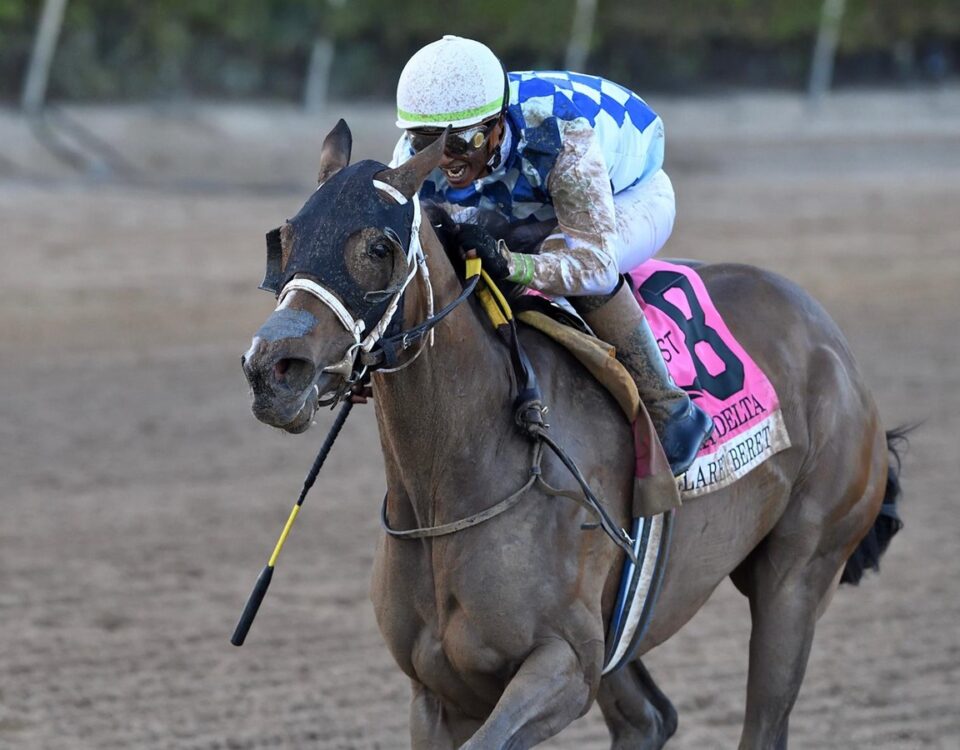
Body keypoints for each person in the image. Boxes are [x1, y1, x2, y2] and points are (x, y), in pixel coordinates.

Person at [390, 35, 712, 475]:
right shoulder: (416, 154)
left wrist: (513, 265)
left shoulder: (561, 132)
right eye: (426, 140)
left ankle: (671, 409)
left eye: (460, 141)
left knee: (561, 253)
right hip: (525, 197)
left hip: (630, 193)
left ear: (497, 124)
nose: (444, 158)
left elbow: (595, 265)